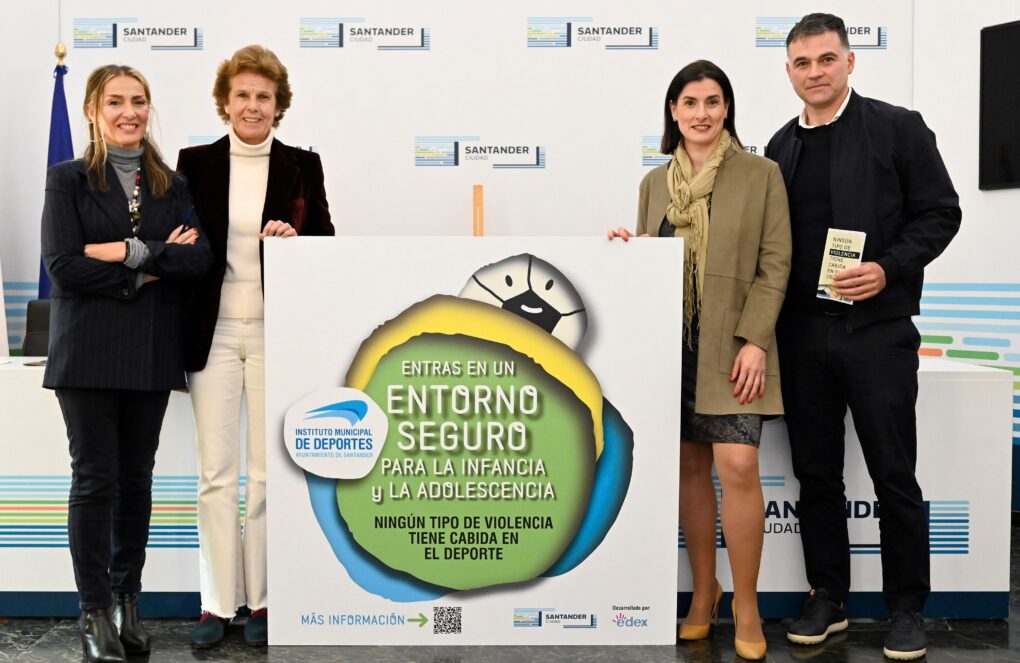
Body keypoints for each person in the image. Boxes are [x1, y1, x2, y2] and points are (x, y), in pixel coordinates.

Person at [765, 13, 961, 661]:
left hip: (877, 332)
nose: (815, 72)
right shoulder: (778, 147)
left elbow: (941, 212)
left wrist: (889, 267)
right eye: (802, 62)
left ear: (850, 61)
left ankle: (907, 608)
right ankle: (829, 596)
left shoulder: (898, 128)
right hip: (801, 336)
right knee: (816, 476)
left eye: (826, 59)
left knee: (893, 475)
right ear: (788, 71)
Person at [609, 60, 791, 661]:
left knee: (737, 465)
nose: (702, 113)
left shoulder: (761, 174)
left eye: (713, 101)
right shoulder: (653, 184)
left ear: (727, 107)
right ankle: (703, 593)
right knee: (689, 468)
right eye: (689, 102)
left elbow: (776, 263)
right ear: (673, 111)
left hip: (734, 348)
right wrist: (627, 253)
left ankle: (746, 604)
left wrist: (755, 340)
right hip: (673, 348)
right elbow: (649, 265)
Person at [41, 64, 212, 662]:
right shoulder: (66, 180)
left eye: (138, 101)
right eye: (115, 102)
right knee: (95, 479)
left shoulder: (173, 184)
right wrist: (150, 268)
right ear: (93, 110)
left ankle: (126, 604)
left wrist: (127, 252)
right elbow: (64, 265)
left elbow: (198, 261)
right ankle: (94, 612)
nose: (129, 112)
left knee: (137, 480)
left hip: (149, 350)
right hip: (86, 352)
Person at [177, 44, 335, 649]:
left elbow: (326, 242)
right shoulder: (193, 163)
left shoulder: (303, 166)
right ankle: (217, 605)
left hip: (276, 331)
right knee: (215, 474)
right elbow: (179, 246)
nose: (252, 105)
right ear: (225, 102)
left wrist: (297, 240)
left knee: (268, 474)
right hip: (212, 333)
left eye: (263, 96)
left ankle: (265, 601)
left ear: (278, 104)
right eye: (241, 94)